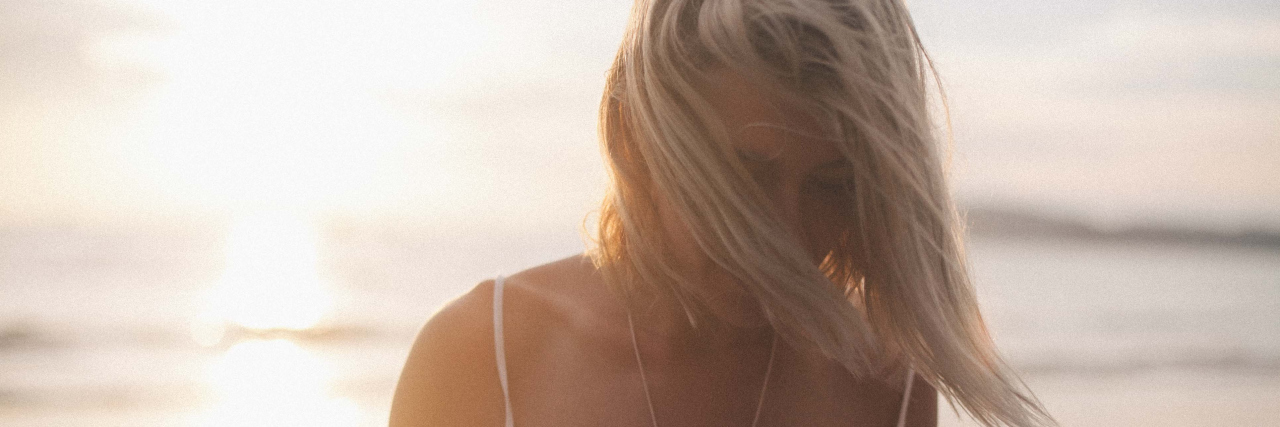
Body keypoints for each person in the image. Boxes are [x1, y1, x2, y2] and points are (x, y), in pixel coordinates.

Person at [391, 0, 1055, 425]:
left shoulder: (883, 388)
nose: (787, 238)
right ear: (636, 139)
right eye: (745, 175)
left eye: (830, 186)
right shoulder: (484, 356)